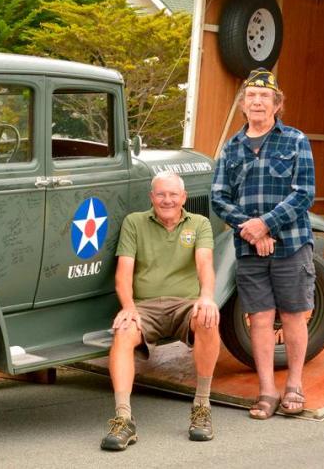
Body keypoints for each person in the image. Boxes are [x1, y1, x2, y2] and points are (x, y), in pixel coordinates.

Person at [210, 68, 315, 420]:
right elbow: (219, 198)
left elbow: (304, 194)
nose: (257, 101)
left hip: (292, 245)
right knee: (259, 318)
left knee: (293, 315)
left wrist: (266, 225)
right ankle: (267, 390)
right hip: (248, 247)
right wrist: (252, 230)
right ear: (243, 104)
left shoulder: (296, 141)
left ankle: (295, 385)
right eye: (251, 96)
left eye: (264, 97)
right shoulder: (232, 147)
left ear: (277, 104)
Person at [101, 171, 220, 451]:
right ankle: (123, 419)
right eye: (161, 194)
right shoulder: (135, 223)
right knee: (123, 331)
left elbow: (205, 265)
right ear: (151, 197)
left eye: (173, 194)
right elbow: (123, 273)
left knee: (208, 319)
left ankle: (202, 407)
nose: (167, 200)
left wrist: (206, 298)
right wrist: (128, 308)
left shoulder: (200, 223)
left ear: (184, 198)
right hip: (145, 305)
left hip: (185, 304)